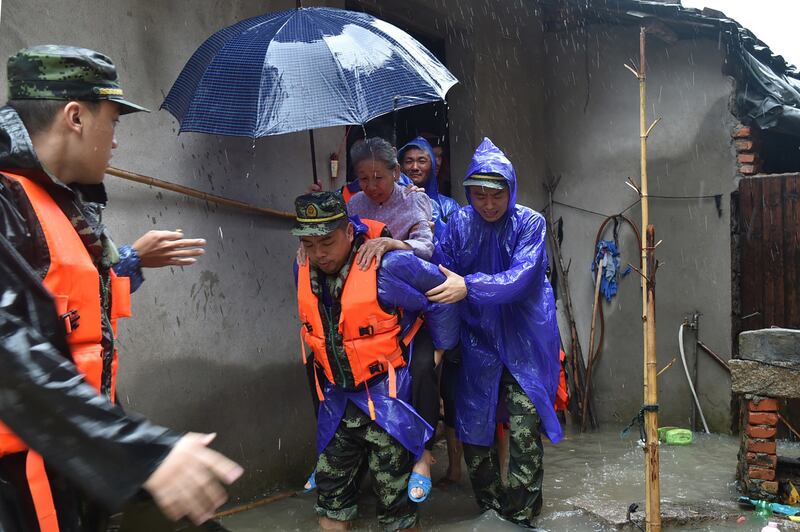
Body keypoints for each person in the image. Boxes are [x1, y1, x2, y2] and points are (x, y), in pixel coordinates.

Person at [0, 44, 241, 530]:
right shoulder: (7, 200)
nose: (115, 142)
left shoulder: (61, 201)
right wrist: (137, 449)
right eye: (113, 121)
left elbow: (59, 304)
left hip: (75, 459)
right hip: (21, 486)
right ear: (75, 117)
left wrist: (130, 260)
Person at [292, 192, 457, 531]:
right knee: (330, 504)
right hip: (337, 403)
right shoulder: (303, 264)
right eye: (309, 244)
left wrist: (439, 349)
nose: (319, 254)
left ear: (349, 232)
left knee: (397, 511)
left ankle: (422, 457)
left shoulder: (388, 266)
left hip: (386, 403)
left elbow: (445, 295)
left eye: (327, 242)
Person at [427, 138, 563, 528]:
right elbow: (438, 274)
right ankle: (491, 509)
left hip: (524, 339)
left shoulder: (530, 224)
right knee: (474, 431)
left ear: (510, 190)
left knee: (523, 429)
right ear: (469, 193)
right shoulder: (458, 225)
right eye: (479, 195)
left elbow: (519, 280)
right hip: (478, 341)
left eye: (496, 195)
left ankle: (520, 513)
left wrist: (469, 286)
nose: (488, 204)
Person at [398, 136, 459, 239]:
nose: (415, 167)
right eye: (409, 162)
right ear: (400, 167)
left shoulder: (448, 206)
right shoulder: (391, 202)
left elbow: (454, 244)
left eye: (421, 161)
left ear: (432, 166)